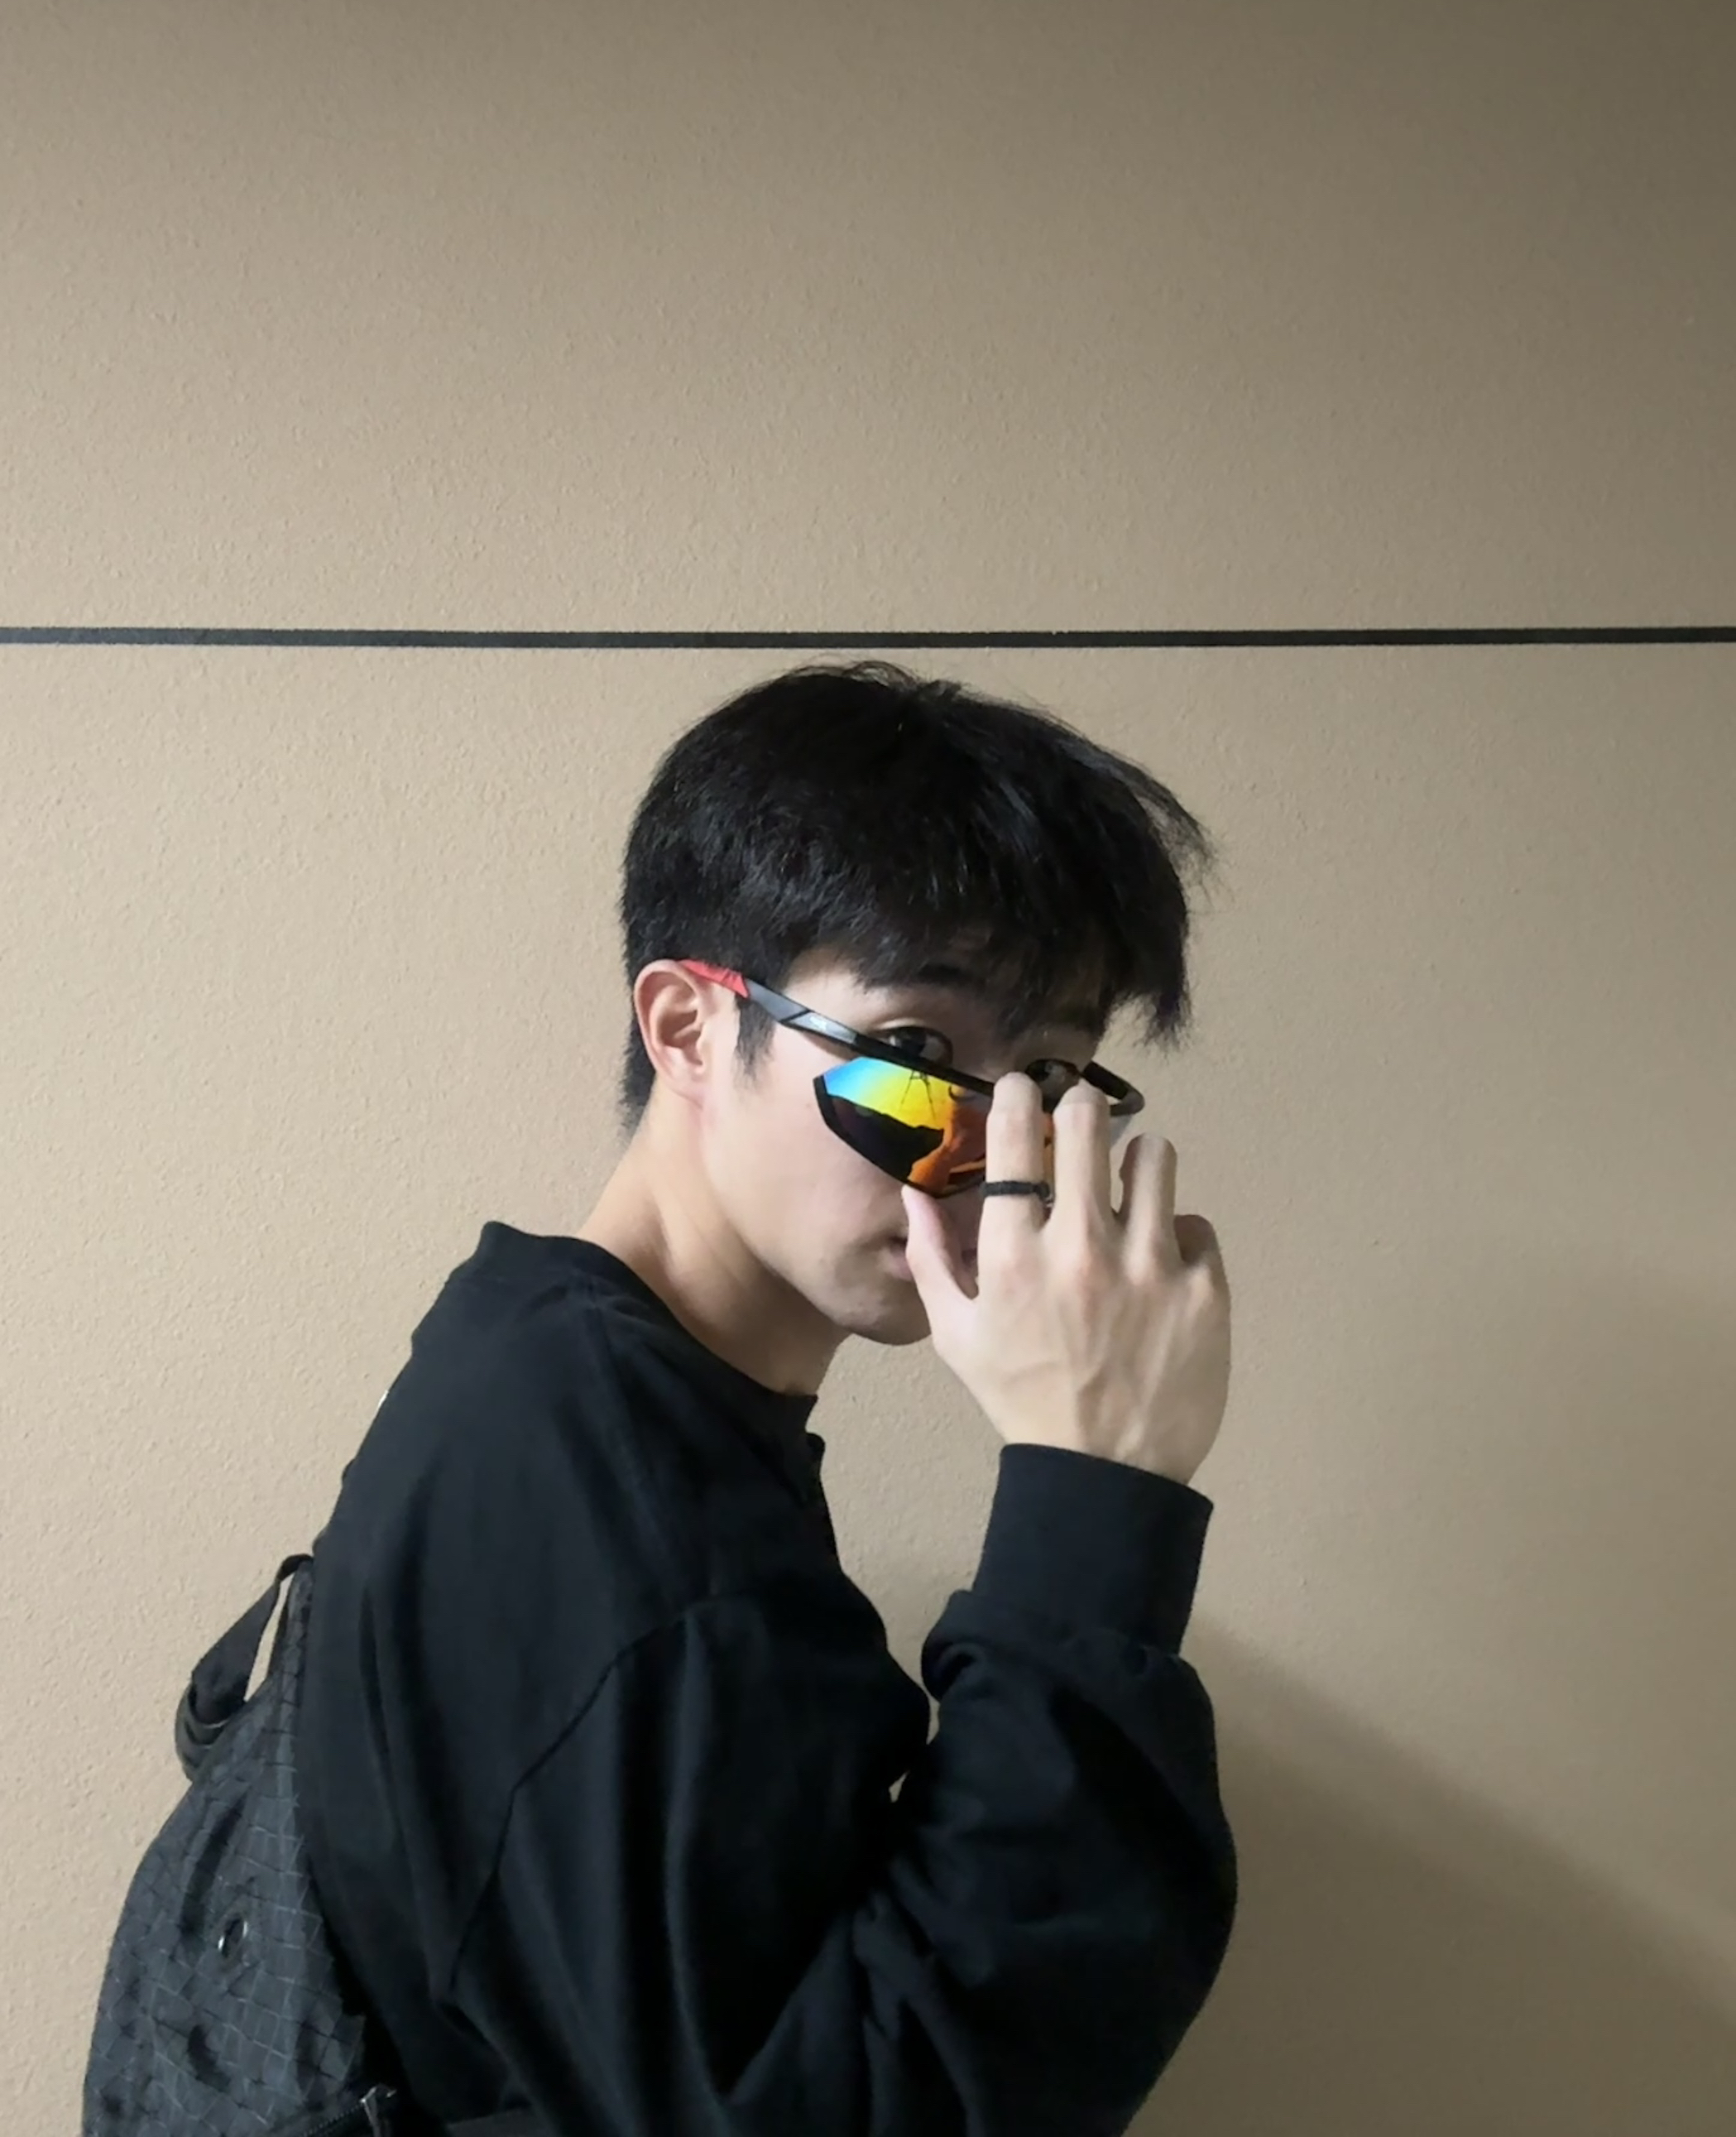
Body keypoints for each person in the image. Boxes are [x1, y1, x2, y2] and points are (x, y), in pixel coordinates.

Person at [299, 658, 1239, 2133]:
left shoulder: (566, 1380)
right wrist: (1094, 1494)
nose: (984, 1153)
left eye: (1052, 1076)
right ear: (687, 1027)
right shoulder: (607, 1488)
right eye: (913, 1056)